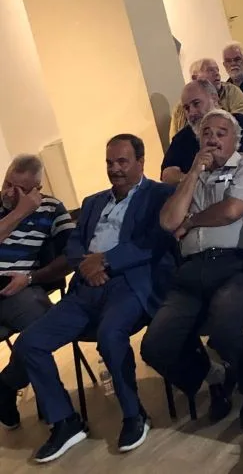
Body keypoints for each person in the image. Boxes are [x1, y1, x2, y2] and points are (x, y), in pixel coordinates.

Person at [14, 135, 176, 463]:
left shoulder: (160, 195)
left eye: (122, 162)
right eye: (110, 163)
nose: (115, 169)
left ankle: (134, 414)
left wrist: (106, 261)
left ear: (141, 162)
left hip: (130, 283)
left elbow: (154, 242)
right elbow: (73, 245)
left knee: (110, 334)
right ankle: (65, 421)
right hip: (86, 285)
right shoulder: (92, 202)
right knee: (29, 342)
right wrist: (88, 266)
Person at [142, 110, 243, 430]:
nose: (212, 139)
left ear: (235, 140)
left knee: (225, 327)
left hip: (238, 264)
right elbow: (168, 222)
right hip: (191, 270)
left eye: (221, 133)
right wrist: (192, 175)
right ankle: (216, 376)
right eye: (206, 133)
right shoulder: (193, 175)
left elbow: (231, 210)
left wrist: (192, 221)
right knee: (155, 346)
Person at [0, 155, 74, 430]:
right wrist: (20, 211)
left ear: (36, 189)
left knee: (45, 325)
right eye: (7, 183)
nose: (9, 193)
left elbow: (72, 254)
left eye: (19, 189)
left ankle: (9, 385)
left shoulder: (52, 208)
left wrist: (31, 278)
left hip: (17, 289)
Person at [161, 80, 243, 186]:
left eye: (196, 104)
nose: (191, 113)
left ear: (214, 99)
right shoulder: (182, 138)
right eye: (186, 108)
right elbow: (167, 174)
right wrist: (195, 180)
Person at [170, 58, 243, 138]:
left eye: (217, 70)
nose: (217, 73)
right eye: (210, 70)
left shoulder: (230, 90)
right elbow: (175, 137)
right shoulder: (181, 107)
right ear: (195, 78)